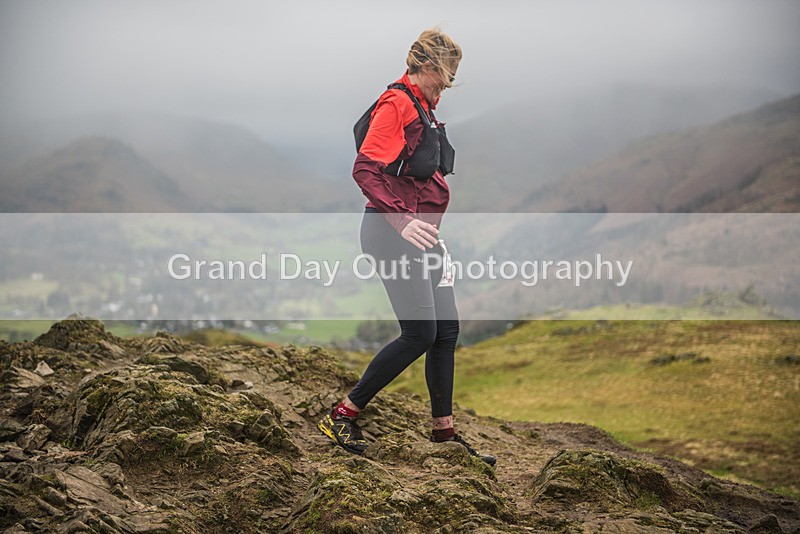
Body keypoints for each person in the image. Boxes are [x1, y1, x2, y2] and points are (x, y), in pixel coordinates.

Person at [317, 28, 496, 466]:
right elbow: (365, 169)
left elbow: (419, 184)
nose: (446, 86)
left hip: (421, 235)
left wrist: (435, 239)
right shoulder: (397, 102)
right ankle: (342, 413)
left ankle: (444, 432)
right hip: (389, 231)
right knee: (420, 333)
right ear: (429, 67)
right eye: (446, 77)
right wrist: (402, 222)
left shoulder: (425, 108)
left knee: (446, 331)